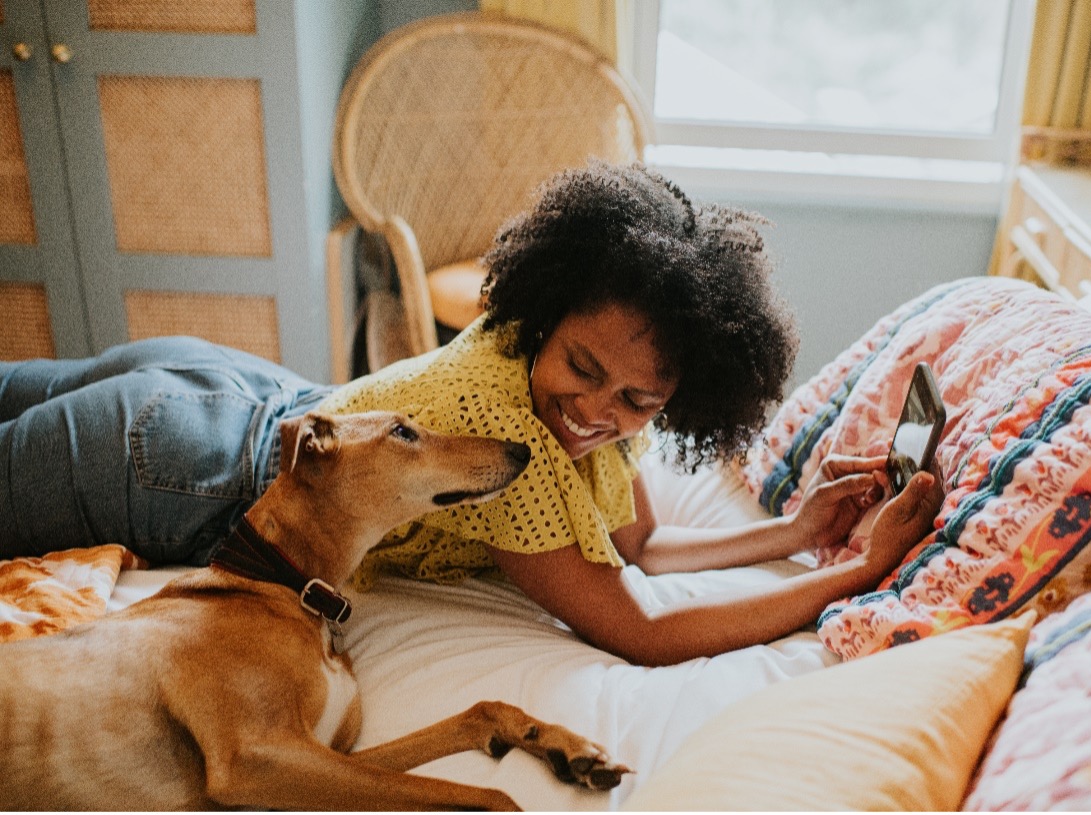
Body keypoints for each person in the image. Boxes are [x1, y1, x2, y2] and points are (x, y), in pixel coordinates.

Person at [0, 161, 941, 666]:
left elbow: (635, 544)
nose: (594, 411)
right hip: (186, 464)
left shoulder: (604, 388)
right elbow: (639, 630)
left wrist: (791, 530)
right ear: (548, 309)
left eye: (636, 400)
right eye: (581, 367)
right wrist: (851, 572)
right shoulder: (506, 437)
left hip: (236, 395)